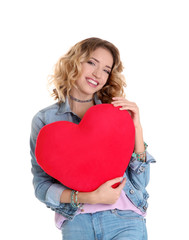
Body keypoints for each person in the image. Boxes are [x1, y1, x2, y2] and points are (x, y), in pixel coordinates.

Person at [30, 37, 155, 240]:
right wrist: (91, 197)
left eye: (106, 69)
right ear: (74, 62)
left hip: (124, 220)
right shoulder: (45, 120)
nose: (98, 74)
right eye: (91, 63)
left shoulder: (115, 114)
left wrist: (137, 128)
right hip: (77, 223)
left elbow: (141, 182)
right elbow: (42, 186)